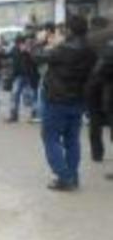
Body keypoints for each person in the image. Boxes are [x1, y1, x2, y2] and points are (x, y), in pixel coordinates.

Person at [38, 15, 97, 191]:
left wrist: (41, 41)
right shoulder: (90, 50)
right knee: (72, 140)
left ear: (69, 30)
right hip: (77, 100)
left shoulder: (62, 49)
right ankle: (73, 176)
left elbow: (37, 57)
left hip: (56, 100)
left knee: (50, 138)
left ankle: (65, 177)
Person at [86, 41, 113, 165]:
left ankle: (97, 154)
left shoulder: (89, 41)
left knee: (94, 122)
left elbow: (98, 69)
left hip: (96, 87)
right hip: (105, 88)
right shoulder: (107, 44)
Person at [8, 35, 40, 123]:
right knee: (14, 95)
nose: (22, 45)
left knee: (32, 95)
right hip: (18, 75)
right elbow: (9, 56)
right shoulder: (14, 50)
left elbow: (36, 61)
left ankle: (34, 114)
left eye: (24, 43)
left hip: (31, 76)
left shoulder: (33, 49)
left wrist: (28, 52)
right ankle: (14, 115)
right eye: (20, 43)